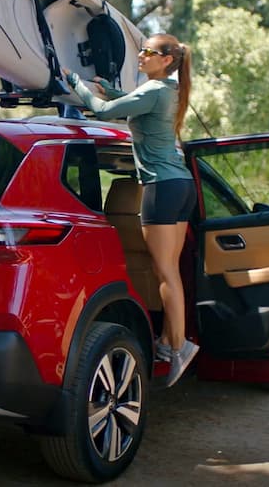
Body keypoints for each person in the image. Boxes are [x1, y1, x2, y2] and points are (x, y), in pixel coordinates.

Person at [62, 33, 198, 388]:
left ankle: (179, 346)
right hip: (182, 186)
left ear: (167, 59)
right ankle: (170, 343)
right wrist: (110, 88)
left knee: (163, 270)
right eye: (141, 49)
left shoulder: (155, 91)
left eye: (148, 52)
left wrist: (76, 84)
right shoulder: (166, 90)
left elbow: (104, 113)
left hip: (161, 188)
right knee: (171, 271)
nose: (140, 55)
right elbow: (126, 104)